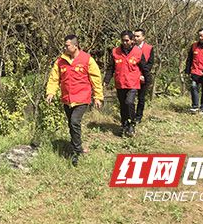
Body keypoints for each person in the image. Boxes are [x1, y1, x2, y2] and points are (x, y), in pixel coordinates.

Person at [46, 34, 103, 166]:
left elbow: (95, 78)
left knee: (74, 122)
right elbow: (54, 78)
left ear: (75, 46)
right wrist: (50, 92)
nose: (65, 47)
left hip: (82, 98)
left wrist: (98, 96)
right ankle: (77, 145)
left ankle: (77, 152)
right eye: (64, 45)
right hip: (67, 99)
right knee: (71, 125)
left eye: (67, 45)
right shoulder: (60, 61)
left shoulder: (87, 59)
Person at [103, 30, 146, 137]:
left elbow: (144, 68)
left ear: (132, 41)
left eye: (127, 40)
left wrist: (147, 80)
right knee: (122, 105)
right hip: (120, 83)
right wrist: (106, 80)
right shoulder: (115, 52)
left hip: (133, 83)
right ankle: (124, 124)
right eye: (123, 40)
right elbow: (110, 68)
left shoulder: (138, 52)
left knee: (129, 102)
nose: (125, 43)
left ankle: (132, 124)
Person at [133, 29, 154, 123]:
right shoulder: (131, 47)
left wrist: (144, 75)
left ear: (143, 37)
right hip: (133, 77)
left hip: (144, 77)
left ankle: (138, 117)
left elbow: (150, 63)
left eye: (138, 36)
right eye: (135, 36)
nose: (136, 38)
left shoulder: (149, 48)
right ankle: (131, 116)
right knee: (131, 98)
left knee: (141, 98)